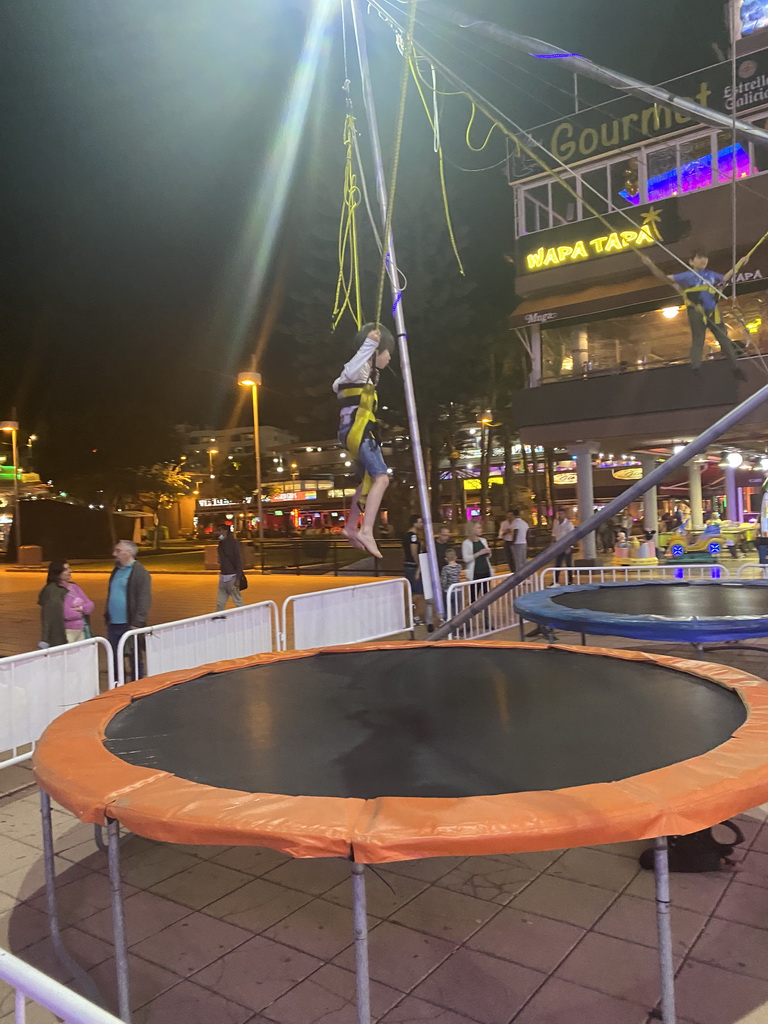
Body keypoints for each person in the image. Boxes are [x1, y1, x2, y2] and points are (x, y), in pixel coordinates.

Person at [333, 322, 394, 559]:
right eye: (388, 352)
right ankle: (367, 530)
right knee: (382, 478)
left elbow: (340, 382)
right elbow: (350, 370)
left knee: (366, 482)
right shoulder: (357, 371)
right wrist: (369, 343)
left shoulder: (364, 376)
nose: (389, 359)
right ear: (378, 350)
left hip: (351, 434)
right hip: (358, 433)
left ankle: (350, 527)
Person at [669, 250, 747, 377]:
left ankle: (736, 368)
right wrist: (652, 267)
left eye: (705, 257)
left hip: (713, 311)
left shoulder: (711, 274)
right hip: (697, 310)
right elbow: (669, 278)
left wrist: (740, 263)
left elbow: (726, 277)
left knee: (725, 340)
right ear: (691, 261)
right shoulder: (688, 276)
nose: (703, 260)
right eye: (699, 257)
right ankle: (695, 367)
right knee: (698, 339)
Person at [106, 540, 152, 679]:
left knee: (134, 657)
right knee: (114, 656)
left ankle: (136, 685)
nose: (114, 554)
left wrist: (138, 622)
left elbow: (144, 598)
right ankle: (117, 684)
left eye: (118, 550)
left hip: (130, 624)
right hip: (113, 623)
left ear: (129, 552)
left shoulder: (139, 572)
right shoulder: (116, 570)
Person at [38, 560, 95, 647]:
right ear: (58, 573)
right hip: (67, 633)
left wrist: (80, 609)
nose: (70, 571)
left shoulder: (74, 586)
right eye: (66, 569)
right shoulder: (52, 590)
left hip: (82, 630)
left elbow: (90, 605)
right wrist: (82, 611)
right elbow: (65, 613)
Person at [402, 514, 426, 625]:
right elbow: (414, 552)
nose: (422, 524)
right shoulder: (413, 536)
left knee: (415, 592)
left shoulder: (406, 535)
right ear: (414, 523)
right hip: (413, 566)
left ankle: (412, 614)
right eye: (420, 522)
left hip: (408, 565)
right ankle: (415, 616)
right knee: (418, 592)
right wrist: (418, 565)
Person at [461, 520, 493, 598]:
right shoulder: (466, 543)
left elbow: (488, 556)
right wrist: (478, 553)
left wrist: (488, 552)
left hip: (486, 570)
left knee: (487, 596)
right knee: (474, 596)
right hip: (475, 573)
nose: (481, 529)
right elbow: (466, 559)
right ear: (472, 530)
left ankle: (486, 610)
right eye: (478, 528)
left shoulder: (483, 540)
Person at [216, 523, 244, 610]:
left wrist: (238, 578)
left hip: (232, 577)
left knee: (238, 601)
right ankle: (218, 617)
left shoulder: (233, 543)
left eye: (220, 530)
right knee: (220, 602)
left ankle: (244, 616)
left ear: (225, 531)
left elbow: (238, 560)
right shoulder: (221, 543)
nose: (218, 532)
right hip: (223, 577)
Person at [552, 508, 576, 583]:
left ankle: (570, 581)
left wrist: (569, 546)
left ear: (565, 514)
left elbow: (572, 536)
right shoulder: (555, 522)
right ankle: (556, 581)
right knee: (557, 563)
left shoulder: (569, 524)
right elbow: (554, 533)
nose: (560, 515)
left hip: (566, 545)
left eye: (562, 514)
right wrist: (552, 543)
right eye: (559, 513)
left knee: (568, 563)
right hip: (558, 545)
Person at [440, 547, 462, 616]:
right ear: (455, 557)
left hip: (448, 591)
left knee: (447, 609)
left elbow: (444, 581)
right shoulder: (459, 566)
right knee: (457, 609)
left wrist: (442, 588)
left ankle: (446, 621)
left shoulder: (445, 568)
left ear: (446, 559)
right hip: (458, 590)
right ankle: (457, 624)